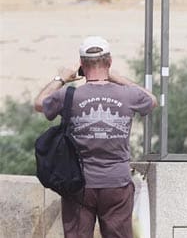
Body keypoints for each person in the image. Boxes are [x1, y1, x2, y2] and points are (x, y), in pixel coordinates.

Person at [34, 35, 157, 238]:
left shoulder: (69, 95)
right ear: (109, 61)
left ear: (82, 65)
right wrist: (119, 79)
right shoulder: (127, 95)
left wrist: (62, 78)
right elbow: (151, 100)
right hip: (117, 183)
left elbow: (40, 103)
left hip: (78, 184)